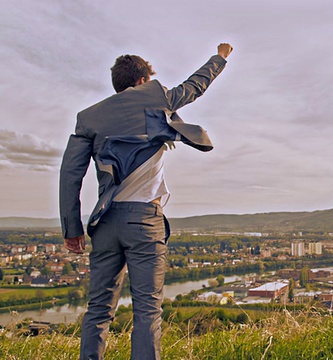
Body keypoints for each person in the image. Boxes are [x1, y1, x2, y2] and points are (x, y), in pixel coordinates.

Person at [59, 42, 233, 359]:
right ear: (142, 81)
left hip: (105, 224)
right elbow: (195, 86)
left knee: (97, 309)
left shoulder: (88, 118)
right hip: (144, 222)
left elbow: (71, 174)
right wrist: (219, 57)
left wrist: (71, 228)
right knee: (147, 311)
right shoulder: (156, 98)